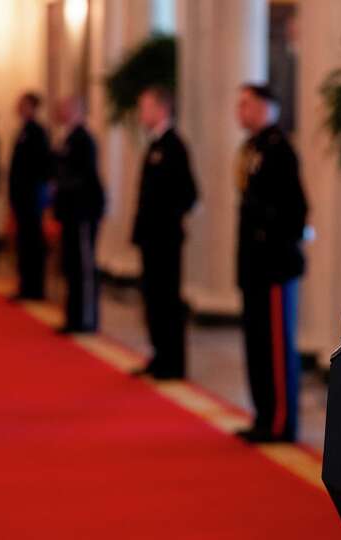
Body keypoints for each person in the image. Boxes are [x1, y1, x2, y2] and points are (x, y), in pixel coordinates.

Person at [234, 84, 308, 443]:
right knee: (257, 345)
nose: (240, 110)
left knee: (276, 348)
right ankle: (263, 415)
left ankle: (280, 422)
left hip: (274, 265)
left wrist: (267, 224)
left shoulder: (279, 149)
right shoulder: (254, 148)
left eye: (246, 104)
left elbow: (295, 210)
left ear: (266, 107)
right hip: (254, 265)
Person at [129, 86, 198, 378]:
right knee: (153, 299)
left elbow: (189, 194)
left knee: (168, 300)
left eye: (145, 107)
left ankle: (173, 362)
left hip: (166, 239)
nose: (141, 114)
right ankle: (159, 354)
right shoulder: (154, 144)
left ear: (162, 109)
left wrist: (166, 222)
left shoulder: (174, 145)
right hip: (151, 238)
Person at [53, 96, 105, 334]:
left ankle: (86, 318)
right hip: (70, 211)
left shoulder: (84, 139)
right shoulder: (67, 137)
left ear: (77, 110)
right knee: (72, 265)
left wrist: (60, 185)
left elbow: (82, 176)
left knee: (83, 266)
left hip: (83, 211)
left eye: (66, 108)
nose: (61, 112)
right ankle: (73, 316)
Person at [8, 92, 51, 301]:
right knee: (24, 243)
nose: (20, 108)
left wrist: (35, 193)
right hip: (22, 196)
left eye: (24, 105)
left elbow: (42, 166)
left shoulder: (38, 132)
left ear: (33, 107)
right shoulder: (23, 131)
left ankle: (35, 287)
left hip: (32, 197)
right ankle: (26, 285)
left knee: (33, 243)